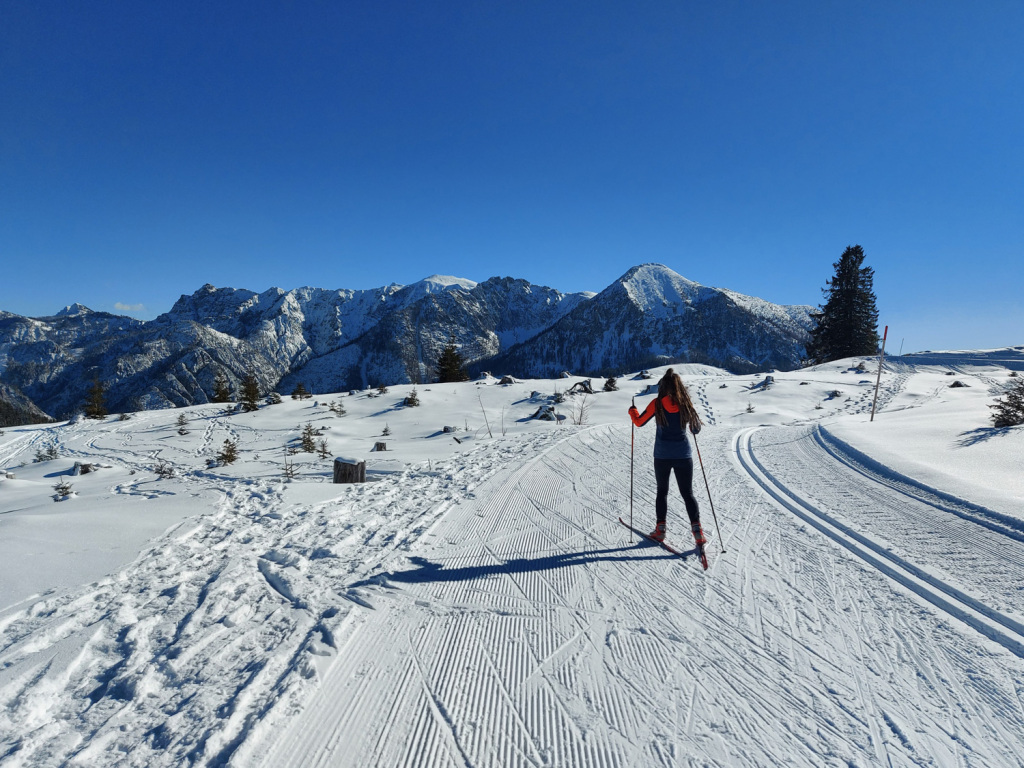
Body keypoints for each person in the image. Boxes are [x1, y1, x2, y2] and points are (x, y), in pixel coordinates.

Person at [628, 368, 705, 545]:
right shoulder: (685, 404)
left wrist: (633, 411)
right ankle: (697, 532)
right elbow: (695, 429)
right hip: (683, 455)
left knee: (662, 492)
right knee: (688, 494)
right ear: (679, 387)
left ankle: (660, 530)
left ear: (663, 386)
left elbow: (639, 422)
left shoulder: (657, 404)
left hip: (662, 455)